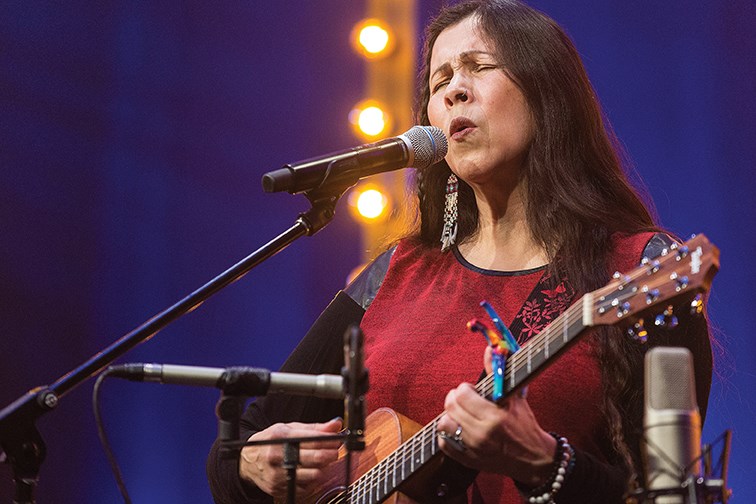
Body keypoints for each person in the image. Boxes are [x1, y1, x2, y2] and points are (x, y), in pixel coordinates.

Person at [207, 1, 712, 502]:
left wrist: (543, 462)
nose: (454, 91)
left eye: (479, 67)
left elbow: (674, 495)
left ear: (547, 92)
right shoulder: (396, 272)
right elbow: (240, 448)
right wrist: (251, 464)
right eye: (439, 80)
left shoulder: (637, 270)